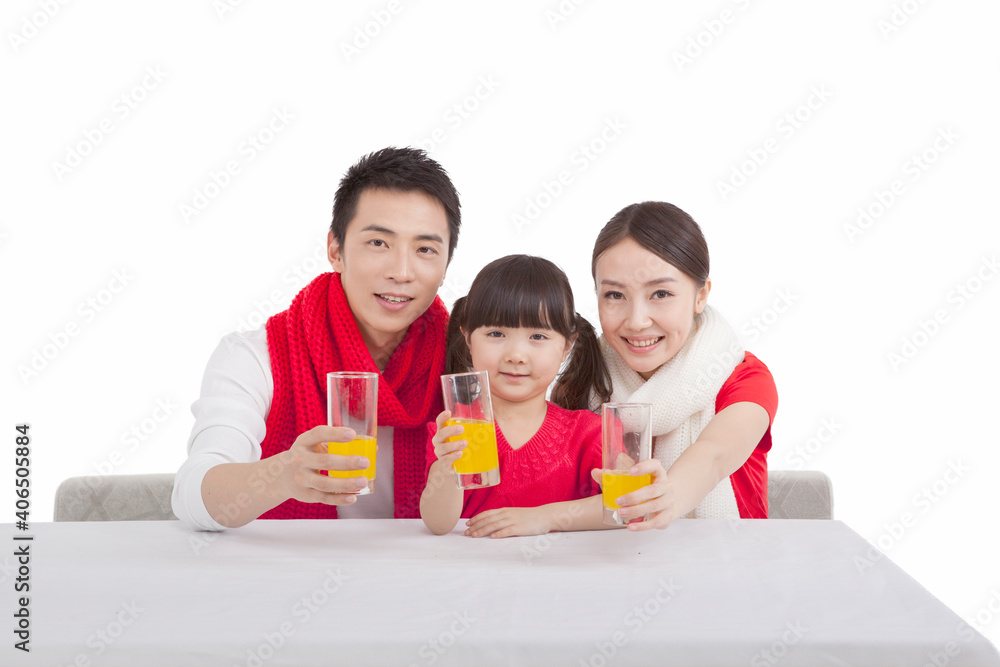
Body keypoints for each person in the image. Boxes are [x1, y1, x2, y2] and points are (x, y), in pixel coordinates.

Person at [171, 147, 462, 530]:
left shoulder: (467, 362)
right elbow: (192, 495)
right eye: (379, 243)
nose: (401, 271)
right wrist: (283, 475)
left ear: (445, 268)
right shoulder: (256, 357)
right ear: (335, 250)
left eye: (425, 249)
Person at [573, 201, 778, 530]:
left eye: (661, 293)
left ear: (700, 296)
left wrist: (669, 495)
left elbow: (712, 455)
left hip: (728, 565)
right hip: (607, 566)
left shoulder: (742, 376)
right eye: (614, 295)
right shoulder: (583, 375)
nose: (637, 321)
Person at [420, 255, 612, 537]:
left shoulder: (589, 434)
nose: (516, 356)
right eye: (496, 333)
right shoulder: (454, 431)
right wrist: (446, 467)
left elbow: (624, 506)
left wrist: (545, 517)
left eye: (538, 337)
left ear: (567, 346)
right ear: (468, 338)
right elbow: (438, 524)